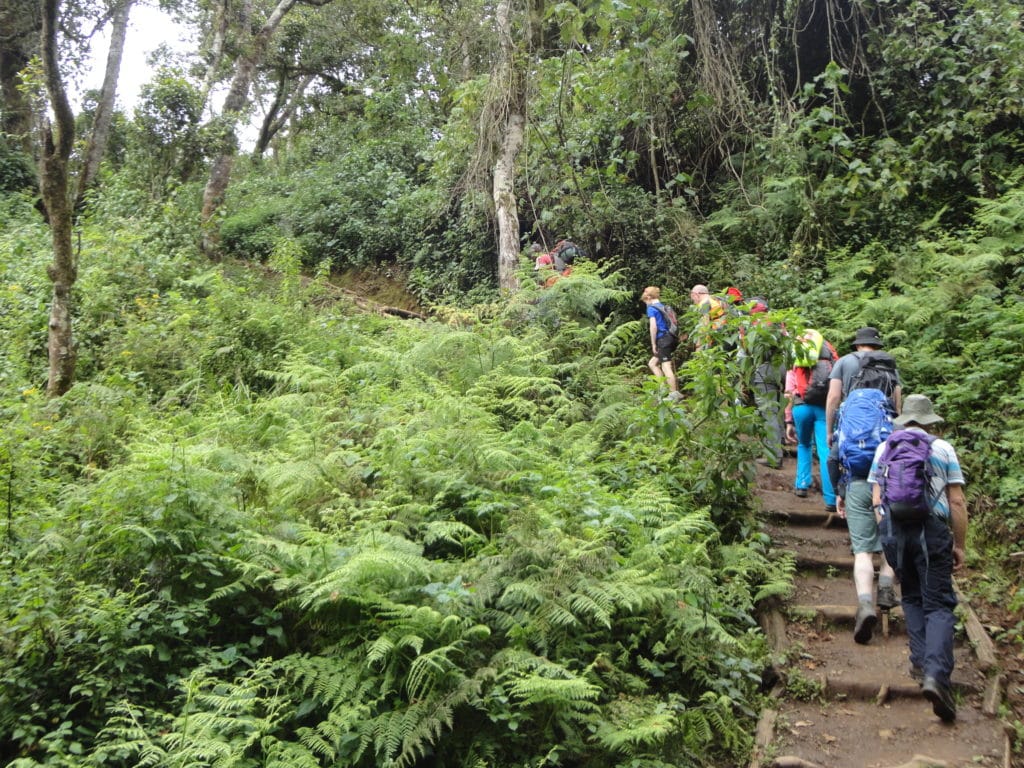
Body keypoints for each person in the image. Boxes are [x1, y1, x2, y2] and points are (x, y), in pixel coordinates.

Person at [869, 394, 967, 722]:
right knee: (938, 604)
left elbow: (877, 500)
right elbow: (957, 501)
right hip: (931, 530)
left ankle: (921, 662)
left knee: (911, 596)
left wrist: (888, 538)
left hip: (895, 529)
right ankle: (936, 676)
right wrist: (959, 544)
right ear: (928, 421)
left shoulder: (884, 448)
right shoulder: (943, 449)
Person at [826, 326, 903, 643]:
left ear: (857, 345)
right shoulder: (890, 364)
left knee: (861, 550)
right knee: (891, 539)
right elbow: (898, 406)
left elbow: (833, 397)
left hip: (856, 478)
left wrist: (832, 431)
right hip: (887, 478)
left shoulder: (844, 362)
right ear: (876, 344)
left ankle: (865, 604)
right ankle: (886, 584)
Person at [784, 330, 837, 506]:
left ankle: (801, 485)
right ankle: (831, 498)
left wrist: (788, 420)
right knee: (825, 450)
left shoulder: (796, 355)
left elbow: (789, 392)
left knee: (804, 444)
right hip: (823, 407)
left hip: (801, 407)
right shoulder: (830, 355)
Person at [641, 287, 681, 401]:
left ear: (649, 297)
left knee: (666, 365)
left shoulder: (652, 308)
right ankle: (663, 389)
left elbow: (653, 327)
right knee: (652, 363)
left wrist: (653, 344)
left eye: (645, 301)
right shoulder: (663, 307)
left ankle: (673, 393)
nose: (646, 304)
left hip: (663, 339)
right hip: (671, 338)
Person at [689, 284, 731, 350]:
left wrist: (698, 346)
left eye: (693, 299)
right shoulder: (717, 299)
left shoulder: (704, 303)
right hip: (730, 335)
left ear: (696, 294)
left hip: (718, 337)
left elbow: (704, 326)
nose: (694, 302)